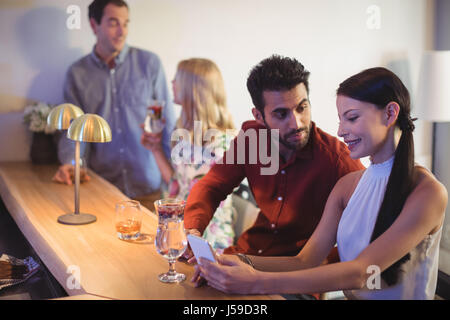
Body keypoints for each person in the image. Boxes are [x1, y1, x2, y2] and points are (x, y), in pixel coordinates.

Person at [194, 67, 448, 300]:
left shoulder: (427, 192)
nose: (340, 130)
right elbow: (304, 261)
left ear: (390, 113)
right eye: (340, 119)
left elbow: (361, 273)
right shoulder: (348, 186)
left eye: (351, 117)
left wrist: (256, 282)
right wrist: (231, 261)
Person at [184, 55, 364, 260]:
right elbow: (212, 186)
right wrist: (193, 229)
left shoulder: (337, 160)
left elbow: (371, 230)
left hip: (291, 279)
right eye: (281, 114)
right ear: (259, 116)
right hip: (244, 256)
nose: (296, 123)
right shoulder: (252, 139)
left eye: (301, 108)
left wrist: (321, 263)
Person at [52, 0, 175, 211]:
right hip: (102, 191)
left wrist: (175, 182)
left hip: (148, 190)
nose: (122, 32)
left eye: (126, 23)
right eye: (113, 23)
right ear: (94, 25)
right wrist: (73, 166)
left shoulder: (149, 64)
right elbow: (73, 132)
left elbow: (168, 125)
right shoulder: (77, 74)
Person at [141, 58, 237, 250]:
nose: (172, 83)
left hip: (207, 241)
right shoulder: (185, 131)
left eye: (177, 78)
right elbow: (176, 185)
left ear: (192, 89)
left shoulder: (223, 143)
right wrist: (155, 149)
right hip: (179, 231)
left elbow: (201, 202)